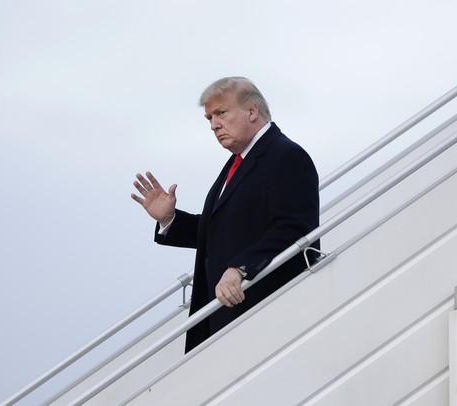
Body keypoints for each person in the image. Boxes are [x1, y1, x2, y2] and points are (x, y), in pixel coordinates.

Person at [131, 77, 320, 353]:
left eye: (221, 113)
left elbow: (294, 228)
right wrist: (169, 219)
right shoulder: (237, 162)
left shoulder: (286, 155)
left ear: (252, 112)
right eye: (209, 118)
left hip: (263, 312)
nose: (214, 125)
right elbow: (221, 231)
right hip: (223, 314)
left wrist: (240, 268)